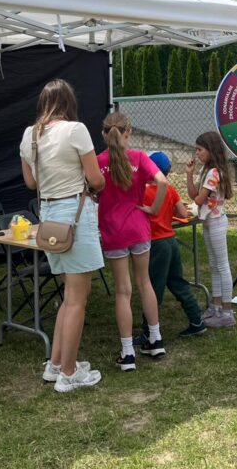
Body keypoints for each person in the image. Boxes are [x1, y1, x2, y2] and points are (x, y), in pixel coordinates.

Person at [19, 79, 106, 391]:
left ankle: (55, 366)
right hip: (76, 215)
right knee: (77, 299)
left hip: (49, 218)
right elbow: (95, 178)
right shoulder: (76, 130)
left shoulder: (29, 135)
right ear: (68, 103)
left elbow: (30, 182)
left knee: (69, 297)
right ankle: (69, 374)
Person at [98, 112, 169, 371]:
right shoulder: (139, 158)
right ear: (128, 133)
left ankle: (127, 353)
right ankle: (156, 338)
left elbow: (92, 191)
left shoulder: (98, 162)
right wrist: (152, 209)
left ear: (104, 134)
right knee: (144, 282)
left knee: (122, 291)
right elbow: (162, 181)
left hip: (113, 231)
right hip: (139, 227)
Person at [140, 151, 207, 340]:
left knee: (152, 287)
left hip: (155, 243)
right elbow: (183, 212)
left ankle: (148, 330)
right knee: (178, 282)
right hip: (171, 240)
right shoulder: (169, 190)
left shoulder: (142, 192)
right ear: (168, 171)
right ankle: (197, 321)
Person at [186, 131, 236, 328]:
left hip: (216, 222)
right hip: (209, 222)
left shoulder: (214, 173)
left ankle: (227, 311)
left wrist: (196, 194)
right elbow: (194, 194)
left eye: (200, 150)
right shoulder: (207, 171)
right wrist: (189, 175)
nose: (197, 153)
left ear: (210, 150)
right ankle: (216, 308)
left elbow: (198, 199)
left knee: (222, 266)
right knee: (215, 265)